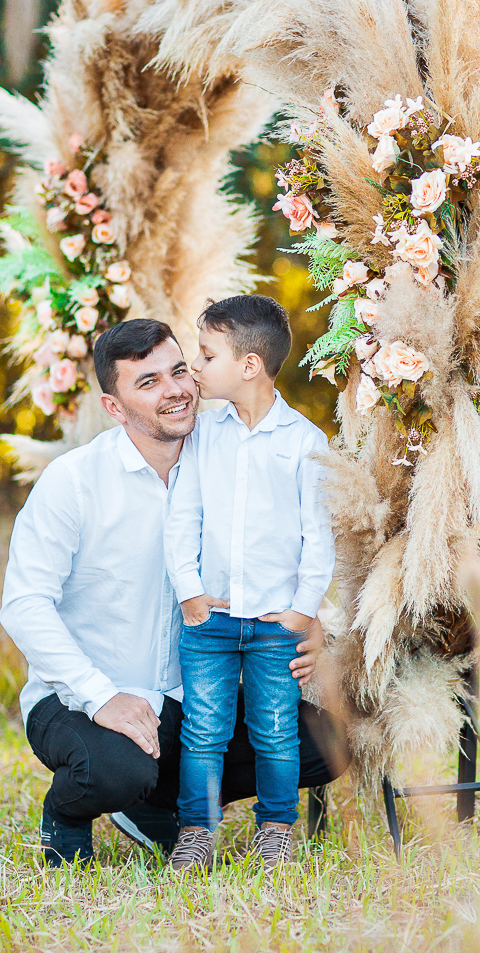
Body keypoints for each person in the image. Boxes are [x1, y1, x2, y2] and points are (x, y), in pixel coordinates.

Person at [0, 318, 348, 868]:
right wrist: (101, 695)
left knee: (325, 742)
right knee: (116, 767)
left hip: (187, 700)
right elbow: (23, 605)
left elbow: (283, 545)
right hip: (81, 697)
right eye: (149, 382)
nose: (176, 390)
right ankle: (72, 810)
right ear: (114, 407)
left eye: (180, 370)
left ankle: (155, 803)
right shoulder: (74, 482)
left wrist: (310, 617)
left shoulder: (231, 455)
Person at [163, 296, 335, 875]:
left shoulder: (304, 441)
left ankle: (276, 832)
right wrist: (188, 590)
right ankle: (196, 833)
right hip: (209, 622)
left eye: (205, 356)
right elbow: (182, 517)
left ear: (249, 365)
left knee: (276, 733)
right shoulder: (204, 435)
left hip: (274, 625)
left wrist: (301, 612)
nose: (194, 369)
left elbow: (319, 537)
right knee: (203, 733)